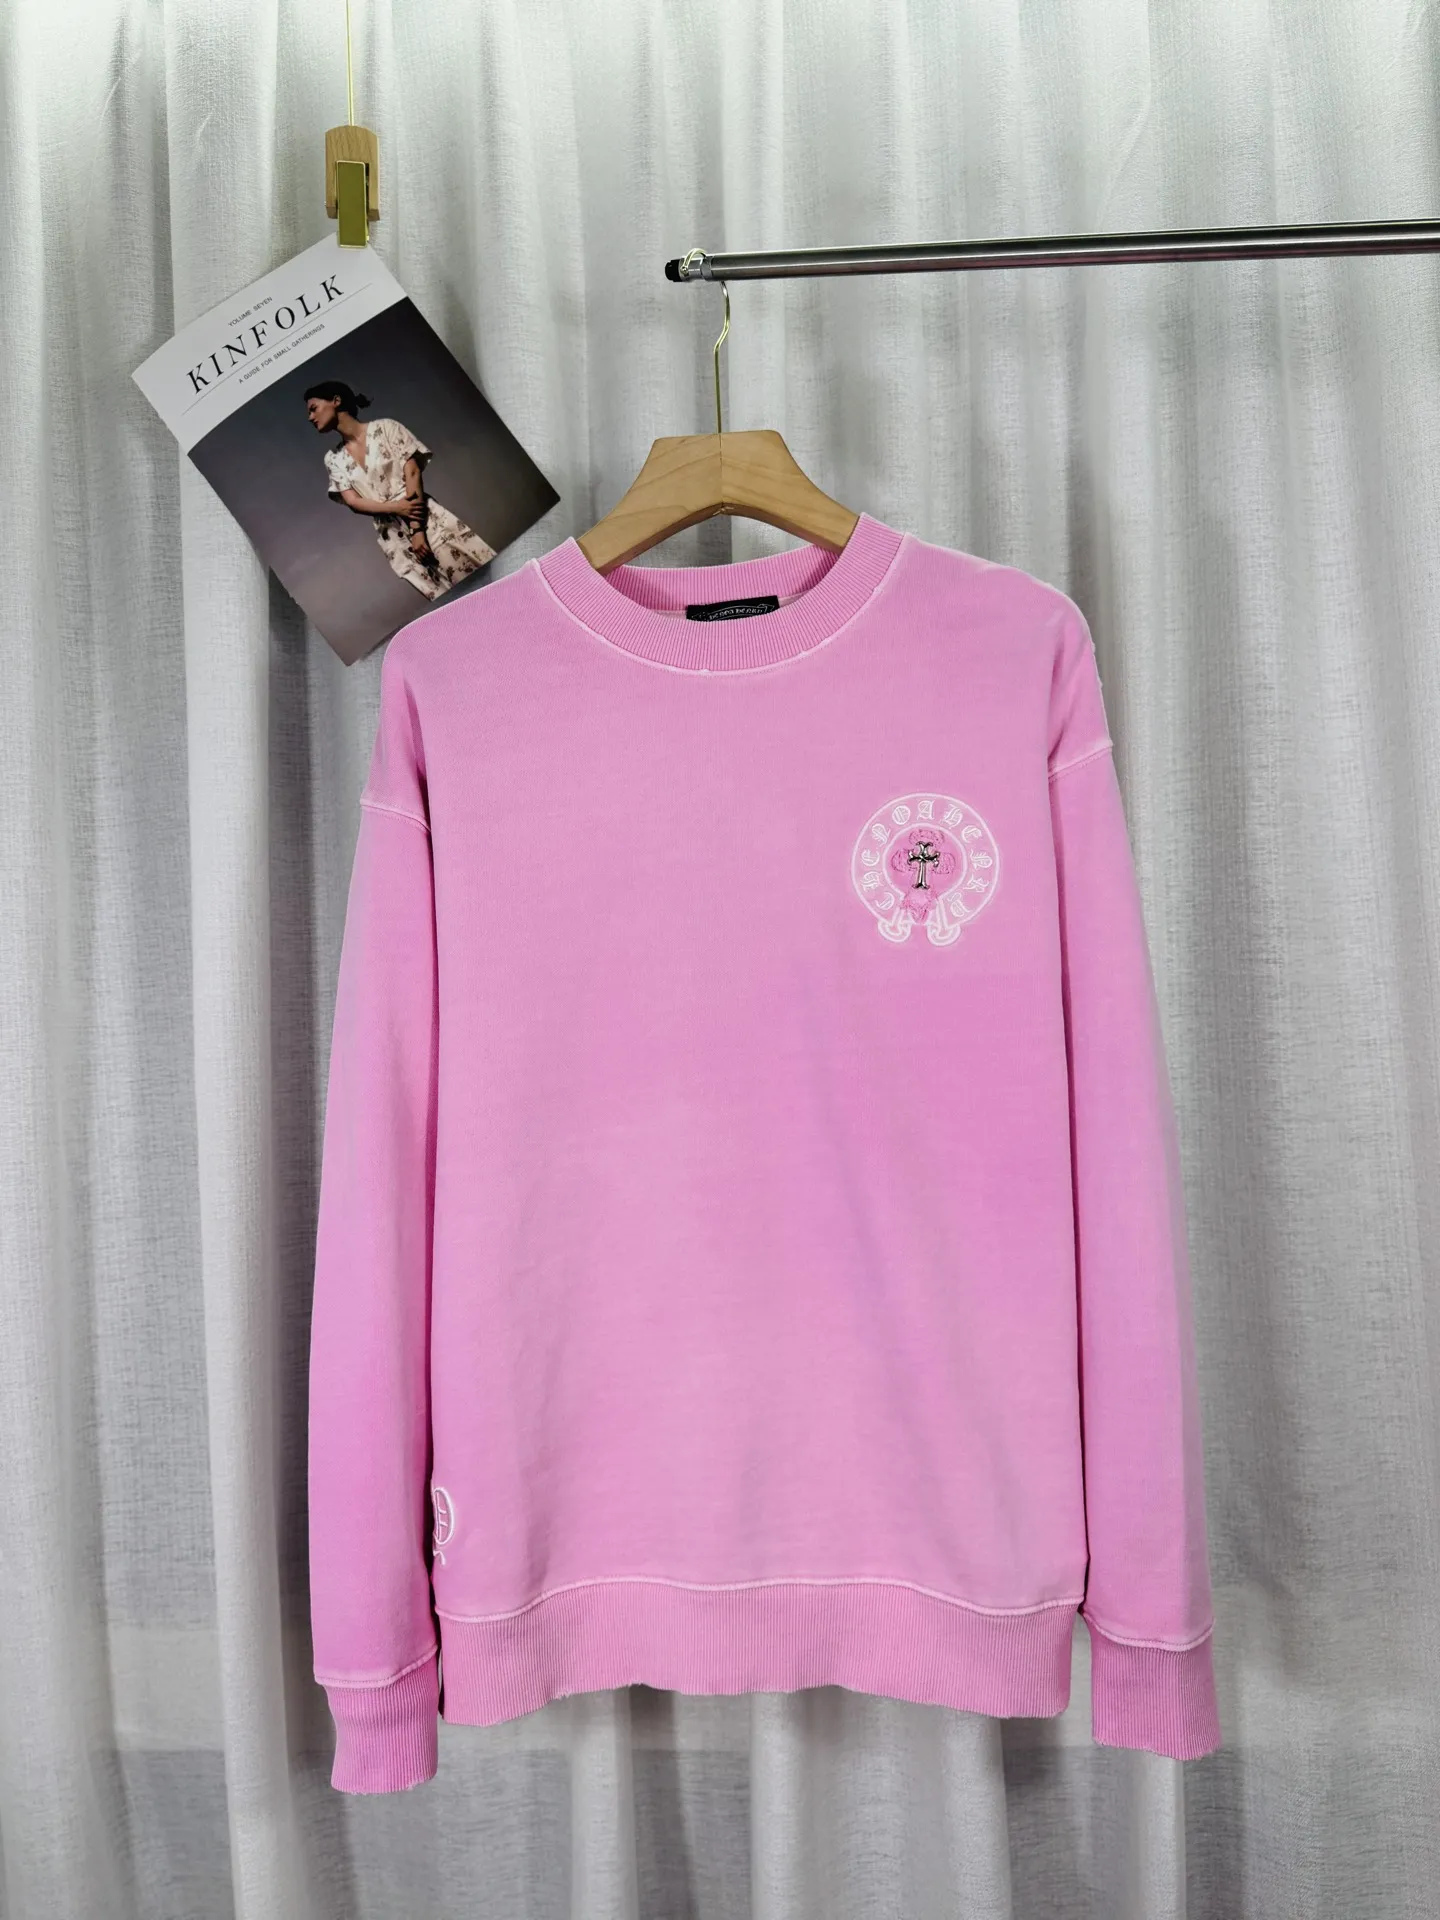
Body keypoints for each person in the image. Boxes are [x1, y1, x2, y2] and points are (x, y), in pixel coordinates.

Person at [305, 381, 496, 600]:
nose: (310, 417)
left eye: (313, 409)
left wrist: (417, 531)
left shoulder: (387, 428)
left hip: (425, 521)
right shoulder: (333, 459)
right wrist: (397, 508)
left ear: (336, 401)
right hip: (395, 539)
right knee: (449, 603)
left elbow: (412, 473)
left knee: (480, 586)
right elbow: (353, 502)